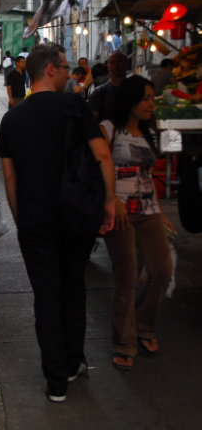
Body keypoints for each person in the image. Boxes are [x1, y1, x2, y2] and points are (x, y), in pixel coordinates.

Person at [0, 43, 117, 402]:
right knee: (72, 286)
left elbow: (9, 176)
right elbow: (103, 153)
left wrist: (21, 219)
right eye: (64, 68)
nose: (70, 74)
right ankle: (73, 361)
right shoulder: (74, 107)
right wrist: (109, 202)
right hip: (76, 213)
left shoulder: (12, 118)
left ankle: (55, 382)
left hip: (35, 219)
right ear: (50, 69)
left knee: (46, 295)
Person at [99, 75, 175, 371]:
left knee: (162, 271)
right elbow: (97, 167)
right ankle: (124, 342)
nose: (150, 104)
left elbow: (148, 176)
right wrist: (110, 199)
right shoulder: (108, 129)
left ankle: (144, 326)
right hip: (118, 210)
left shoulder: (151, 132)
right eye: (144, 98)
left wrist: (163, 212)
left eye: (152, 98)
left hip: (149, 209)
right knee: (127, 275)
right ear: (129, 99)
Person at [89, 51, 128, 122]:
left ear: (127, 64)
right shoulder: (99, 92)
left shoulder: (136, 89)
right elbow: (91, 122)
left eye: (120, 61)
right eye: (112, 62)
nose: (116, 65)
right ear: (108, 66)